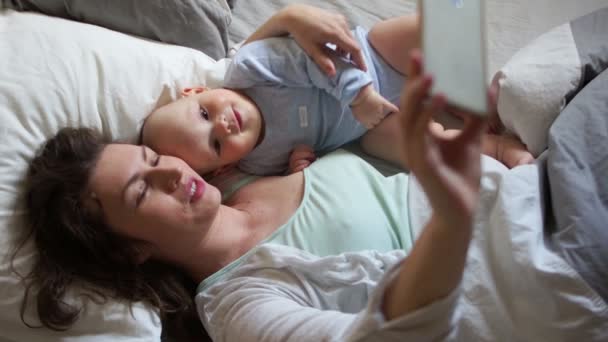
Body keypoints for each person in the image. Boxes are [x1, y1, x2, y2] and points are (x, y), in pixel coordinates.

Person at [141, 4, 533, 177]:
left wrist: (360, 96)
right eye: (215, 144)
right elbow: (297, 179)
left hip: (372, 58)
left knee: (436, 24)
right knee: (421, 150)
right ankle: (495, 148)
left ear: (194, 91)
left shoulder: (248, 68)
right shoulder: (257, 164)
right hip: (368, 128)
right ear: (226, 165)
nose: (224, 125)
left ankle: (470, 98)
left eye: (206, 115)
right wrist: (299, 166)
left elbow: (316, 61)